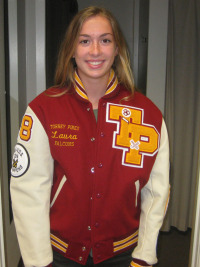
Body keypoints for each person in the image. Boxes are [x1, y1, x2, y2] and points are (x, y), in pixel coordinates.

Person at [10, 6, 170, 267]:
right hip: (57, 253)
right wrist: (39, 261)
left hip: (124, 254)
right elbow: (28, 192)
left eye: (105, 40)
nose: (95, 51)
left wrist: (144, 255)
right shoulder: (43, 110)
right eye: (85, 41)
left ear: (117, 49)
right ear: (72, 50)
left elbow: (157, 192)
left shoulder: (148, 114)